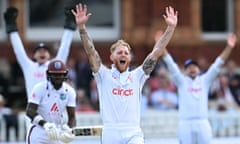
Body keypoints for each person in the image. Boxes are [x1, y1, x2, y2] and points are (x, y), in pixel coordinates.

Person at [72, 3, 178, 143]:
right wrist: (82, 28)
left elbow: (156, 52)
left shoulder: (137, 76)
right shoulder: (103, 75)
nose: (123, 55)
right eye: (119, 52)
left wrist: (170, 28)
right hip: (110, 132)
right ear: (112, 57)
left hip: (133, 131)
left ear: (129, 58)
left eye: (126, 53)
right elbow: (91, 52)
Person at [3, 4, 76, 131]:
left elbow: (64, 48)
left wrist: (70, 26)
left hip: (53, 113)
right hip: (33, 111)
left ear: (49, 55)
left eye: (45, 51)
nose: (42, 53)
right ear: (34, 55)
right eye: (39, 51)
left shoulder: (55, 67)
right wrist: (12, 28)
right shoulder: (29, 67)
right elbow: (19, 50)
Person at [161, 33, 237, 144]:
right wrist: (161, 43)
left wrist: (229, 47)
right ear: (185, 70)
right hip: (185, 124)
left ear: (199, 70)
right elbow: (170, 64)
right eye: (189, 67)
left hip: (203, 123)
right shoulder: (181, 81)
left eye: (194, 67)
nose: (192, 69)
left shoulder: (205, 80)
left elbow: (217, 64)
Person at [25, 59, 76, 144]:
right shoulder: (39, 88)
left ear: (65, 74)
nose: (58, 77)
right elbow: (30, 111)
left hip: (56, 132)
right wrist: (45, 124)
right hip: (38, 130)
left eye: (60, 74)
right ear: (49, 74)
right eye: (55, 74)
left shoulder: (69, 91)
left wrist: (70, 130)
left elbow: (72, 116)